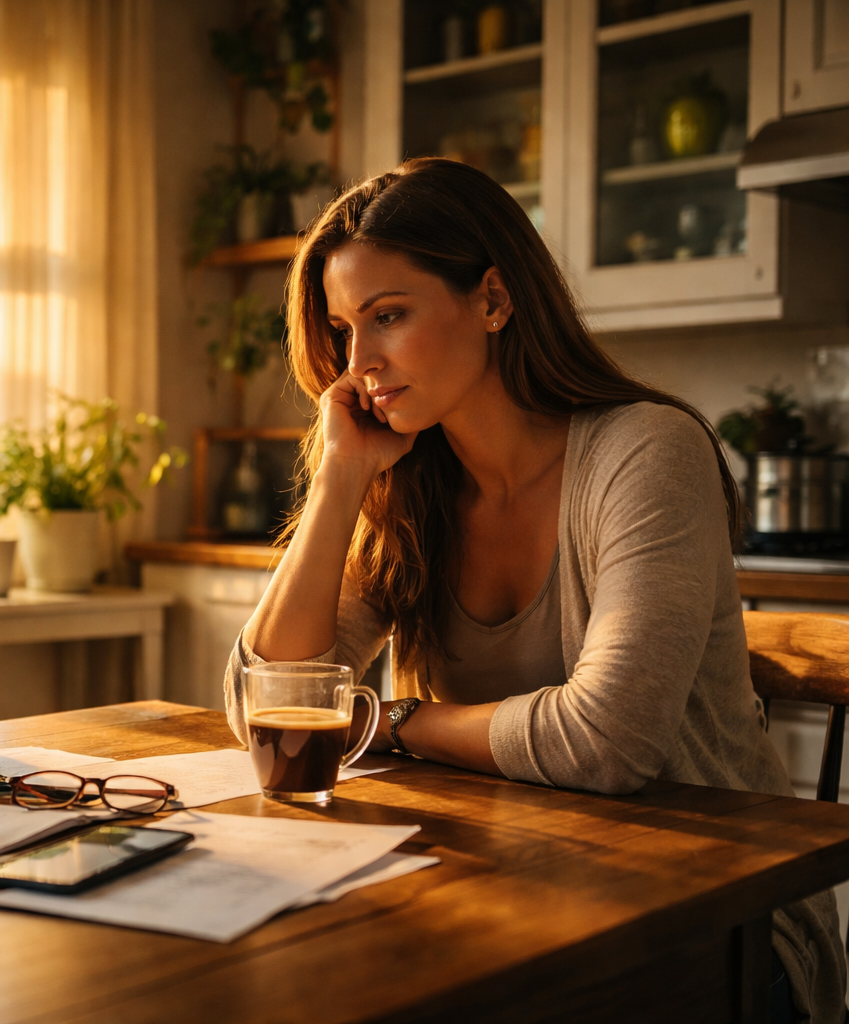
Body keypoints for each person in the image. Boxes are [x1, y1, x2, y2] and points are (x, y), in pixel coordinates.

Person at [225, 158, 845, 1024]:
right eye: (342, 328)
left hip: (716, 929)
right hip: (504, 891)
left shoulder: (645, 453)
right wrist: (338, 478)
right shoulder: (407, 482)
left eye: (389, 317)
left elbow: (608, 740)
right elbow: (266, 703)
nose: (358, 362)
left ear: (492, 300)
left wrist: (394, 722)